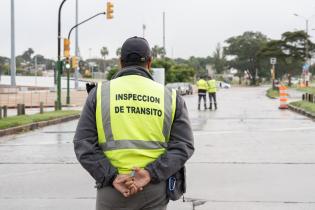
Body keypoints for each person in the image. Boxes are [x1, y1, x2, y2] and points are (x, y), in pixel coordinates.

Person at [73, 36, 194, 210]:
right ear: (150, 62)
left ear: (120, 62)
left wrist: (111, 176)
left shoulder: (99, 94)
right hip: (153, 189)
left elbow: (83, 144)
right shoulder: (171, 97)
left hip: (112, 189)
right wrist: (150, 173)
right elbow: (184, 145)